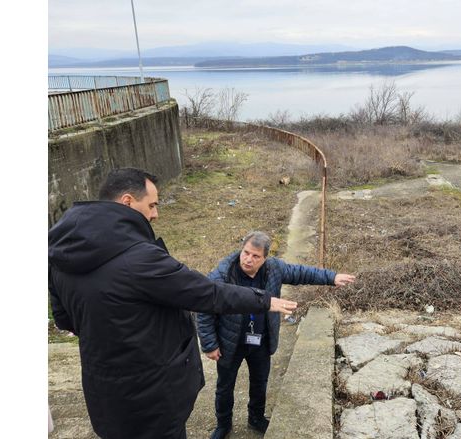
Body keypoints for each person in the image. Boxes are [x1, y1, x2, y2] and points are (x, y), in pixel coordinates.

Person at [48, 168, 298, 439]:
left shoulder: (61, 253)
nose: (155, 214)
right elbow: (206, 293)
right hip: (152, 396)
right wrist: (263, 300)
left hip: (104, 393)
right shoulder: (140, 258)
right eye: (152, 205)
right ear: (128, 202)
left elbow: (64, 319)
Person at [196, 231, 356, 439]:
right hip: (230, 342)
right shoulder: (223, 274)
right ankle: (223, 424)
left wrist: (332, 277)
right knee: (225, 387)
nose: (248, 259)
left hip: (261, 340)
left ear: (265, 258)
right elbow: (204, 308)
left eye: (255, 256)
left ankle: (256, 418)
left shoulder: (274, 269)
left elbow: (302, 273)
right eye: (246, 253)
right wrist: (209, 344)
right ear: (241, 250)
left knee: (260, 383)